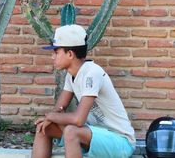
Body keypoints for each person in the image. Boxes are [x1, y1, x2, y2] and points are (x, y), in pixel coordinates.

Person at [31, 24, 136, 158]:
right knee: (44, 128)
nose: (53, 57)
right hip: (94, 135)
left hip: (120, 142)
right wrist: (50, 118)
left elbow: (78, 120)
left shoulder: (92, 73)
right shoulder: (71, 75)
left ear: (70, 54)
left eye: (56, 52)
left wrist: (51, 116)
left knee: (71, 131)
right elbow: (58, 109)